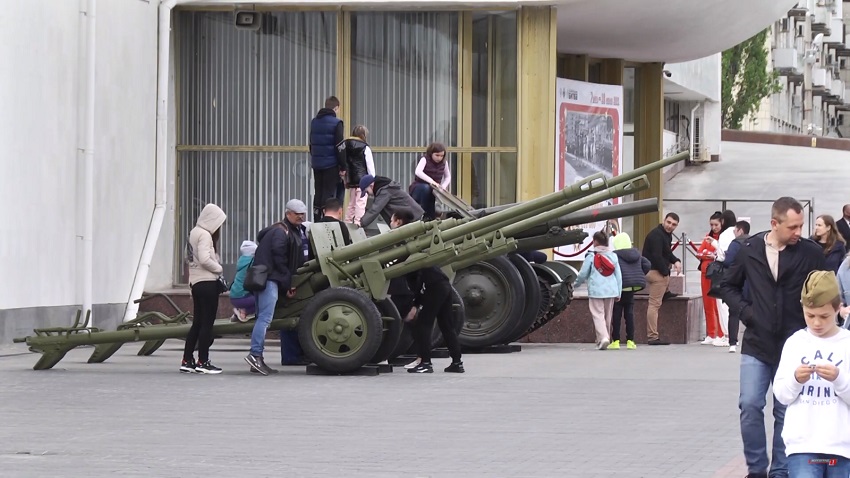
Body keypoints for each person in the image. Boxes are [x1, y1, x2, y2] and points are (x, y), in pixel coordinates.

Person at [721, 196, 826, 478]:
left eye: (801, 226)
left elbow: (825, 291)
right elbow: (727, 286)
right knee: (750, 405)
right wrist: (746, 312)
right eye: (793, 227)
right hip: (756, 342)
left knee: (785, 410)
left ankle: (780, 470)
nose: (798, 233)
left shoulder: (810, 253)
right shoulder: (749, 249)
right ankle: (757, 470)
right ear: (774, 224)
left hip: (793, 345)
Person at [773, 270, 850, 478]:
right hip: (802, 445)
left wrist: (840, 379)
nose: (816, 323)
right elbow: (781, 395)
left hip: (842, 447)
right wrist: (795, 379)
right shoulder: (796, 343)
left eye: (824, 316)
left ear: (837, 309)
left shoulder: (846, 343)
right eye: (810, 315)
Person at [391, 208, 464, 374]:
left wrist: (415, 303)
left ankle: (425, 363)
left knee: (423, 324)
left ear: (398, 221)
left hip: (432, 285)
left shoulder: (404, 242)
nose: (390, 223)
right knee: (447, 325)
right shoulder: (414, 238)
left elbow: (415, 276)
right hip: (442, 282)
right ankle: (457, 362)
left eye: (392, 220)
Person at [244, 199, 308, 376]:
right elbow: (279, 259)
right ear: (288, 213)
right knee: (265, 319)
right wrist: (288, 282)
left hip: (266, 279)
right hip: (269, 280)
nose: (301, 217)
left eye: (303, 214)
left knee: (262, 318)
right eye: (297, 214)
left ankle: (257, 359)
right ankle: (255, 355)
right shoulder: (281, 233)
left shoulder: (282, 229)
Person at [181, 203, 227, 374]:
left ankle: (187, 360)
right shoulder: (205, 235)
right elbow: (204, 259)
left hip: (196, 283)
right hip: (207, 283)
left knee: (197, 323)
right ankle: (203, 361)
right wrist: (219, 268)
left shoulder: (193, 232)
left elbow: (189, 257)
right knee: (207, 324)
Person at [574, 230, 622, 350]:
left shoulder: (591, 256)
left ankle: (603, 338)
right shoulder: (613, 256)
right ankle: (603, 339)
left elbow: (583, 274)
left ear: (595, 242)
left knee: (598, 315)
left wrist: (574, 285)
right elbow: (619, 275)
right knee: (607, 316)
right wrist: (619, 292)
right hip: (611, 290)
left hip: (596, 291)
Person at [641, 212, 682, 346]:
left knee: (664, 278)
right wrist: (665, 273)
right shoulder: (657, 235)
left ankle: (666, 292)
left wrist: (676, 261)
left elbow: (667, 252)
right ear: (664, 220)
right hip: (653, 271)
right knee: (654, 305)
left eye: (674, 224)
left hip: (653, 269)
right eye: (668, 222)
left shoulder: (664, 234)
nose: (670, 226)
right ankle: (652, 337)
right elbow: (657, 256)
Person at [608, 232, 650, 350]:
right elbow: (647, 264)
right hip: (632, 288)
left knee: (616, 315)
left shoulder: (615, 255)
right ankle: (630, 341)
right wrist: (638, 274)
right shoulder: (636, 254)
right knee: (629, 315)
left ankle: (615, 341)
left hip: (619, 289)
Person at [309, 96, 346, 218]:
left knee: (318, 192)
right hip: (331, 165)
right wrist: (343, 166)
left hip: (317, 164)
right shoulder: (337, 123)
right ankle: (327, 221)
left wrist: (315, 158)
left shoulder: (314, 122)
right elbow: (340, 147)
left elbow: (311, 144)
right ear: (336, 108)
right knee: (329, 194)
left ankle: (316, 218)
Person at [709, 209, 739, 348]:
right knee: (734, 305)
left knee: (723, 304)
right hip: (739, 271)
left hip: (726, 271)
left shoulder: (725, 234)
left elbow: (722, 255)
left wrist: (715, 251)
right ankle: (734, 336)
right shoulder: (737, 232)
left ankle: (727, 335)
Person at [723, 220, 751, 353]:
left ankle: (733, 342)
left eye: (735, 230)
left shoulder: (735, 243)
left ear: (740, 230)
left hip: (737, 281)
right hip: (752, 282)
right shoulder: (754, 242)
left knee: (733, 312)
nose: (734, 233)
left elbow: (728, 262)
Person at [696, 211, 723, 346]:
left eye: (716, 224)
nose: (714, 227)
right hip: (705, 273)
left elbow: (719, 253)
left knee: (717, 304)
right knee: (707, 304)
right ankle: (711, 333)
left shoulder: (722, 238)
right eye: (711, 224)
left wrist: (708, 253)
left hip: (717, 274)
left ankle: (721, 333)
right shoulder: (708, 237)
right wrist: (708, 254)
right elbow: (699, 252)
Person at [339, 125, 375, 225]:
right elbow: (370, 165)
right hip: (363, 180)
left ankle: (347, 223)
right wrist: (372, 180)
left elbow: (344, 162)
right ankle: (358, 224)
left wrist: (345, 179)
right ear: (363, 135)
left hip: (351, 180)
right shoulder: (365, 147)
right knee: (361, 203)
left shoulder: (346, 145)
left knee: (352, 204)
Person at [358, 174, 424, 229]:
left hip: (413, 217)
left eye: (367, 191)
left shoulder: (384, 191)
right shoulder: (383, 189)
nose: (368, 194)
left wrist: (361, 223)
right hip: (410, 217)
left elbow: (375, 210)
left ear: (371, 185)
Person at [409, 143, 451, 220]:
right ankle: (423, 215)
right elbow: (418, 172)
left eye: (441, 156)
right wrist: (432, 181)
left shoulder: (444, 163)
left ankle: (430, 217)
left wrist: (443, 186)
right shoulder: (424, 159)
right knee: (427, 188)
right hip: (418, 188)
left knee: (431, 194)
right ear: (431, 153)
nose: (439, 158)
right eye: (437, 155)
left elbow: (448, 177)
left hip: (433, 190)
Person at [229, 240, 258, 322]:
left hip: (233, 296)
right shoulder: (252, 261)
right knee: (263, 301)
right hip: (243, 297)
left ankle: (238, 312)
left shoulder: (241, 260)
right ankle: (243, 312)